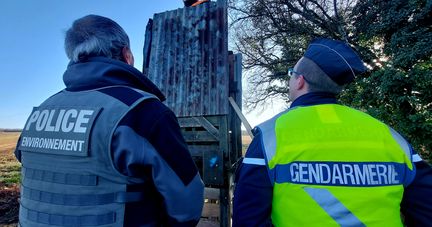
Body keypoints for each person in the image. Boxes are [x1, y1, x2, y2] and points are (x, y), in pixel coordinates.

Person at [15, 14, 204, 227]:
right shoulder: (143, 111)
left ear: (74, 56)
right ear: (127, 55)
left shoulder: (40, 111)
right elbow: (187, 203)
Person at [232, 38, 432, 226]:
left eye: (291, 73)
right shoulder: (389, 136)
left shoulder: (270, 136)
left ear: (300, 81)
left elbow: (247, 219)